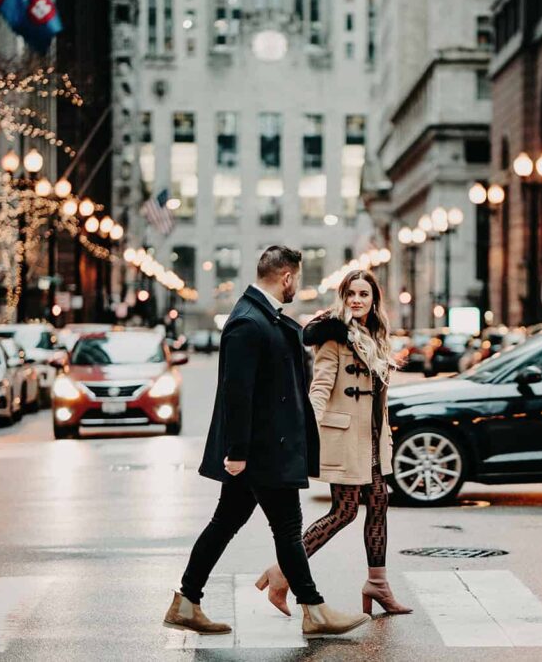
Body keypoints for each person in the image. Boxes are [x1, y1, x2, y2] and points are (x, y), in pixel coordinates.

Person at [164, 246, 371, 638]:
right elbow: (237, 393)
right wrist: (237, 452)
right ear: (287, 277)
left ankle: (187, 601)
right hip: (262, 450)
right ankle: (314, 609)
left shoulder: (263, 317)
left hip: (266, 447)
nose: (297, 286)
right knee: (287, 528)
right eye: (297, 279)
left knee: (226, 522)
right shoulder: (248, 321)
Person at [255, 269, 413, 617]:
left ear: (374, 300)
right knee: (344, 512)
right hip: (344, 438)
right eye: (350, 294)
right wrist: (306, 432)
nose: (356, 300)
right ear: (343, 298)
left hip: (372, 439)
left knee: (379, 503)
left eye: (363, 294)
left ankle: (378, 583)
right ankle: (282, 572)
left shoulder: (376, 336)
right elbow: (320, 387)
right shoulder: (334, 336)